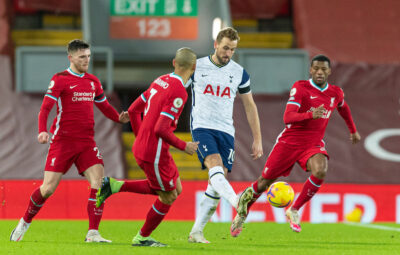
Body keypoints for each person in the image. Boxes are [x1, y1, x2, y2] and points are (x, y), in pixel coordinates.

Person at [10, 39, 129, 243]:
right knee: (47, 189)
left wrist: (118, 117)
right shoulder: (60, 79)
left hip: (86, 142)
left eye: (89, 56)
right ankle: (24, 223)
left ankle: (93, 233)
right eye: (82, 57)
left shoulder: (93, 81)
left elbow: (104, 105)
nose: (86, 60)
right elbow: (45, 108)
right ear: (71, 57)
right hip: (63, 141)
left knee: (99, 183)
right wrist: (42, 131)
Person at [233, 54, 361, 235]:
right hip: (289, 142)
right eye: (316, 68)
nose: (319, 72)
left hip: (312, 144)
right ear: (310, 70)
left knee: (321, 170)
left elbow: (343, 107)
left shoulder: (335, 92)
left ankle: (294, 209)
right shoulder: (301, 88)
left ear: (329, 71)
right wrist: (311, 114)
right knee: (263, 183)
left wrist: (353, 130)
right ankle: (242, 214)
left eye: (323, 69)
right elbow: (288, 117)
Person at [95, 47, 199, 247]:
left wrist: (141, 137)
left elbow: (133, 110)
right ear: (193, 67)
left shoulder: (160, 80)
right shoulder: (179, 92)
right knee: (168, 196)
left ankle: (114, 185)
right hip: (155, 153)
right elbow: (161, 129)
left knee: (176, 188)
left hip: (150, 149)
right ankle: (141, 238)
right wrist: (183, 145)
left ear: (173, 63)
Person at [187, 27, 263, 243]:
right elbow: (176, 88)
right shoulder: (197, 66)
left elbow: (250, 106)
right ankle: (237, 200)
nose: (228, 53)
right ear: (216, 45)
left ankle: (196, 232)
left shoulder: (239, 72)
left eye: (232, 49)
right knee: (215, 165)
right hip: (202, 127)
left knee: (217, 181)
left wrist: (257, 139)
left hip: (226, 131)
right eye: (225, 48)